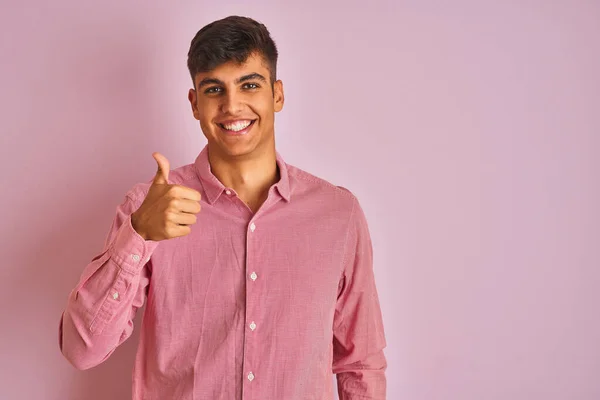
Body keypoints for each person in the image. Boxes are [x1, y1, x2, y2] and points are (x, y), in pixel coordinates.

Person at [58, 15, 387, 400]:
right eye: (214, 89)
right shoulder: (151, 206)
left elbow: (360, 364)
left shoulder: (338, 213)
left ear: (277, 94)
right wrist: (138, 236)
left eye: (249, 84)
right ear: (195, 103)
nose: (232, 105)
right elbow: (81, 351)